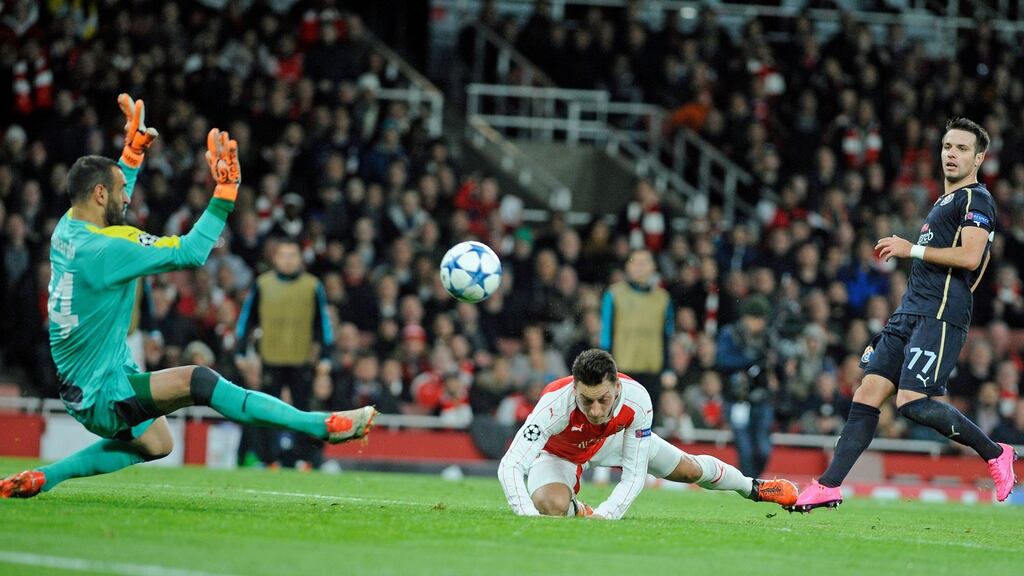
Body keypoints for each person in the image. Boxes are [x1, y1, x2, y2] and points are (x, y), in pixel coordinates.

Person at [0, 95, 376, 499]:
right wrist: (225, 193)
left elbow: (109, 197)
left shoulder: (66, 229)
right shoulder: (111, 248)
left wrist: (131, 154)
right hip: (103, 391)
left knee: (159, 443)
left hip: (82, 382)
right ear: (100, 195)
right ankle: (322, 426)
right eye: (120, 191)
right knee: (198, 379)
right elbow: (191, 252)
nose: (128, 197)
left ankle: (45, 477)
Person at [790, 117, 1019, 512]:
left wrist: (912, 249)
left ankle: (996, 452)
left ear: (979, 157)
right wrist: (890, 331)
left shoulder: (976, 199)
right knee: (867, 393)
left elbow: (970, 258)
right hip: (911, 313)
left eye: (963, 149)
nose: (952, 154)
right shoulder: (941, 203)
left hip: (940, 315)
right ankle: (829, 484)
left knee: (911, 401)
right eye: (948, 146)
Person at [497, 349, 797, 519]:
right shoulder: (553, 404)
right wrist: (528, 517)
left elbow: (634, 474)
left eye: (603, 399)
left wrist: (609, 514)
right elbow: (511, 464)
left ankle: (753, 487)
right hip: (560, 453)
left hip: (612, 441)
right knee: (551, 505)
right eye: (586, 400)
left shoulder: (637, 400)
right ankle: (580, 512)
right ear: (575, 389)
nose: (596, 410)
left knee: (690, 470)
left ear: (617, 388)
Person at [234, 237, 335, 469]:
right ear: (275, 258)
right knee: (266, 409)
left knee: (303, 409)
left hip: (301, 358)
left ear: (300, 259)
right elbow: (247, 319)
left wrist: (326, 357)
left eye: (293, 256)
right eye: (284, 255)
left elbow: (323, 324)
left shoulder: (312, 285)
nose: (288, 261)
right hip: (270, 356)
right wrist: (241, 352)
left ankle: (304, 458)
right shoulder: (263, 283)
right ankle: (268, 458)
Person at [600, 249, 675, 418]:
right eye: (635, 262)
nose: (640, 267)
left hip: (652, 370)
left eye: (645, 262)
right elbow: (606, 335)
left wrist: (668, 368)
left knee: (648, 423)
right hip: (622, 369)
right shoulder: (613, 295)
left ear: (653, 267)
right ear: (627, 266)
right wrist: (605, 368)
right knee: (617, 422)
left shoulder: (663, 298)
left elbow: (666, 335)